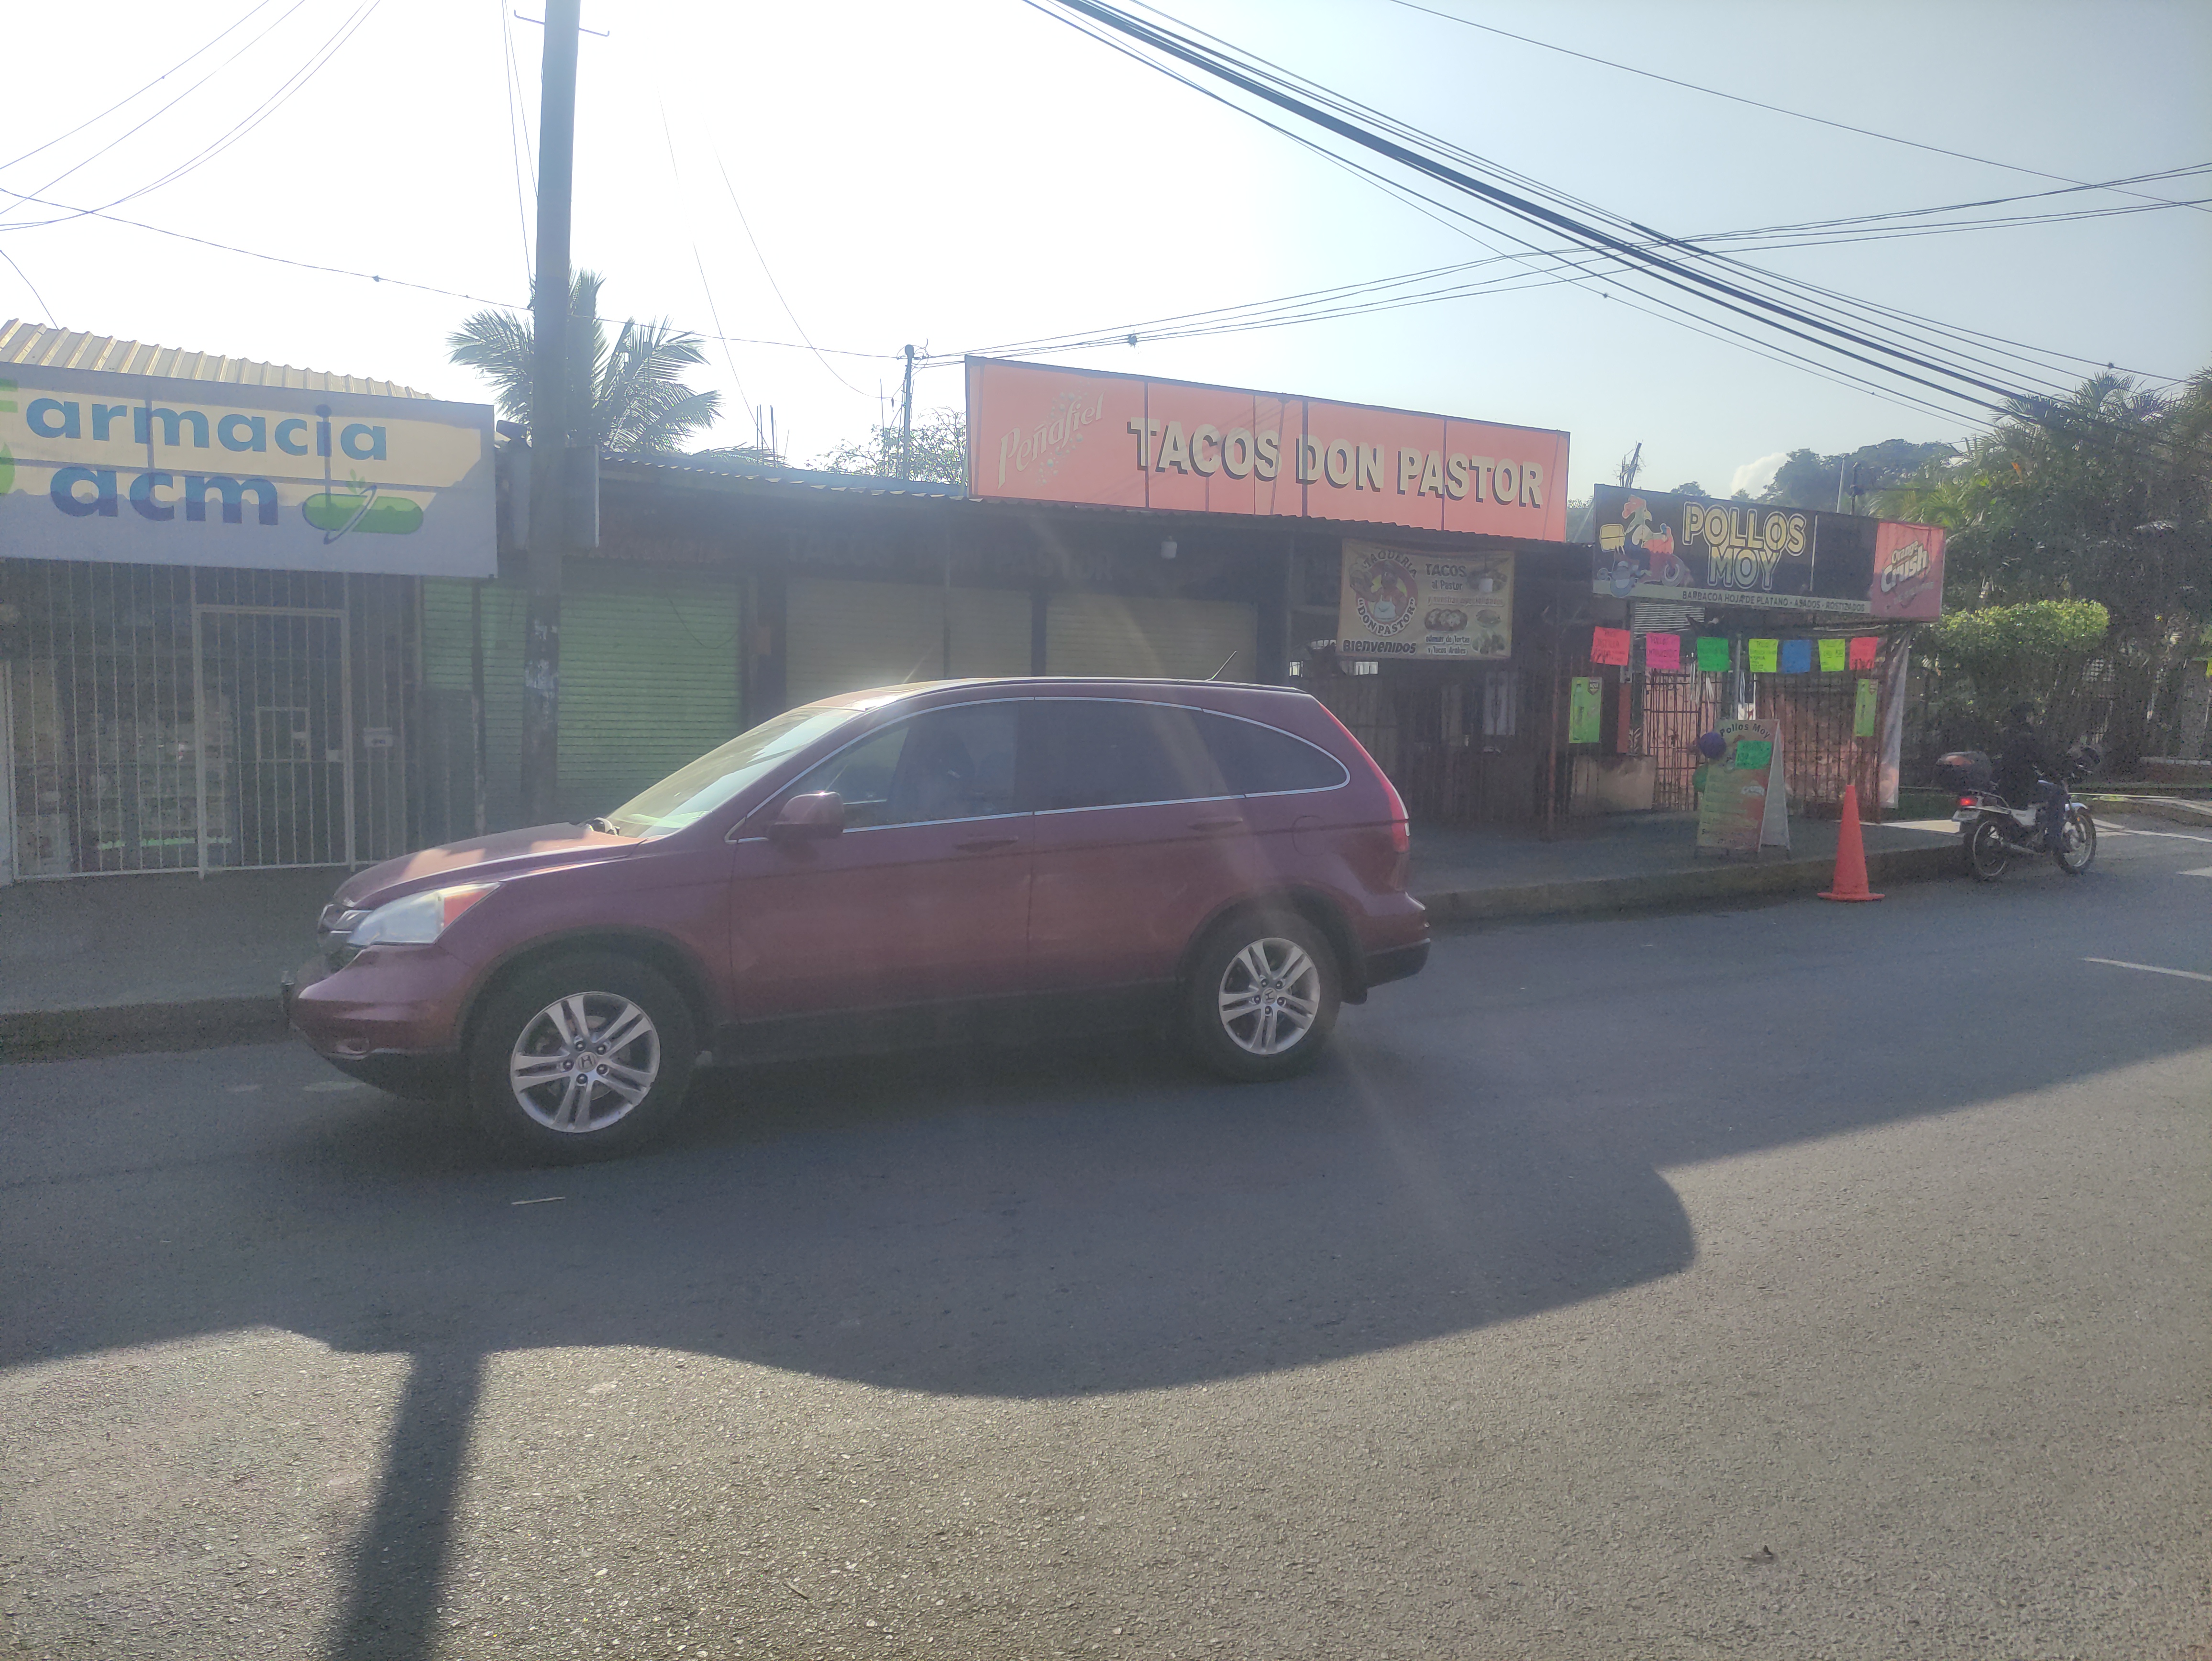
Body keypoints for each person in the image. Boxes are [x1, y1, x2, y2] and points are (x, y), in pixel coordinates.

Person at [1994, 701, 2065, 852]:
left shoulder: (2003, 735)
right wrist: (2056, 777)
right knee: (2058, 793)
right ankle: (2054, 839)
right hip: (2023, 787)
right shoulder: (2028, 737)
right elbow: (2042, 762)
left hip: (2001, 786)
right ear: (2027, 717)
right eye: (2033, 716)